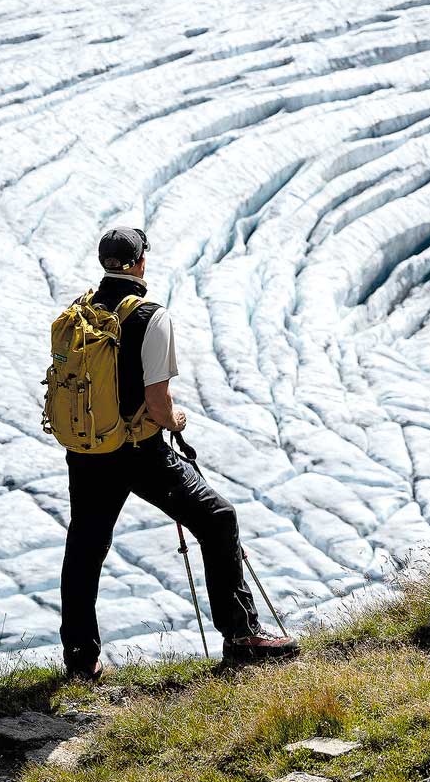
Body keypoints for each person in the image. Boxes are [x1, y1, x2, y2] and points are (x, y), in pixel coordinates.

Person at [58, 226, 298, 679]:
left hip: (88, 450)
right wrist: (177, 423)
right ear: (141, 262)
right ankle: (243, 637)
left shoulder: (80, 314)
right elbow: (158, 403)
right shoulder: (151, 317)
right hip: (138, 450)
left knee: (85, 547)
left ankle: (80, 660)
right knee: (218, 519)